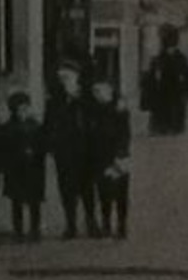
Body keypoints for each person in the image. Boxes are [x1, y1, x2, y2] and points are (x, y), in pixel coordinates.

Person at [46, 59, 93, 239]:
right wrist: (51, 144)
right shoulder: (55, 99)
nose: (64, 80)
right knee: (67, 188)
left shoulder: (86, 97)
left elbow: (94, 120)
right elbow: (49, 123)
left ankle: (91, 222)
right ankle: (71, 224)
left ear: (77, 77)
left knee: (87, 187)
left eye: (67, 77)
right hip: (64, 151)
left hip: (85, 148)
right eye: (61, 77)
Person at [84, 73, 132, 239]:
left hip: (118, 156)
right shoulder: (94, 110)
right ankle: (106, 223)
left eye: (99, 90)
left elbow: (125, 134)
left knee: (120, 192)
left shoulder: (119, 109)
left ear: (109, 90)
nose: (96, 94)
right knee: (103, 192)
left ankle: (121, 224)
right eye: (94, 91)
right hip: (100, 156)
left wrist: (120, 156)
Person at [0, 92, 47, 242]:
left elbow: (43, 145)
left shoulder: (36, 125)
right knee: (17, 201)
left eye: (26, 108)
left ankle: (35, 229)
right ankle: (18, 231)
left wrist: (36, 151)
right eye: (20, 109)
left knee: (35, 202)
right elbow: (4, 149)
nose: (23, 112)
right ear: (13, 111)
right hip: (16, 170)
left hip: (33, 169)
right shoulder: (8, 127)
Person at [145, 26, 188, 136]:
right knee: (164, 110)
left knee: (173, 110)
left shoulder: (179, 58)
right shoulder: (159, 59)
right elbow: (152, 76)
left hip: (174, 91)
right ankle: (163, 127)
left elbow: (186, 75)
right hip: (164, 92)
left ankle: (173, 128)